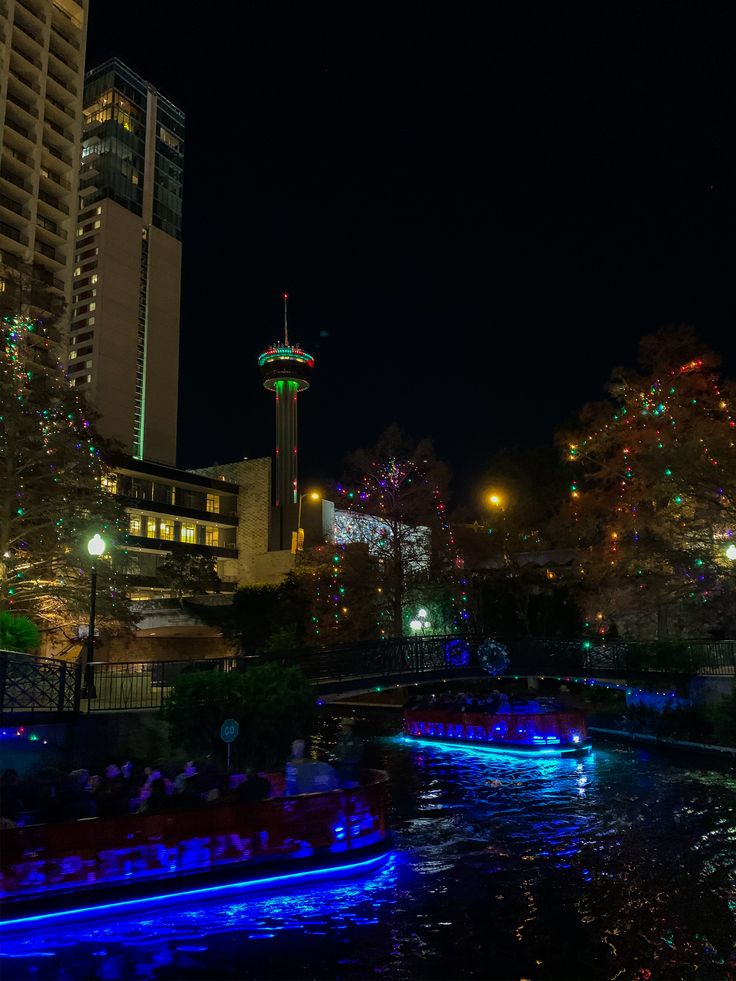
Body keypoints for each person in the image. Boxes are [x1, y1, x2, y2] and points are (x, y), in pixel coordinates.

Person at [334, 720, 363, 788]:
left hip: (352, 772)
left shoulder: (356, 739)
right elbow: (336, 751)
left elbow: (358, 757)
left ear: (349, 727)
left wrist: (344, 760)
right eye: (342, 726)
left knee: (352, 793)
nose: (342, 728)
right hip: (341, 771)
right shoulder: (341, 739)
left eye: (344, 726)